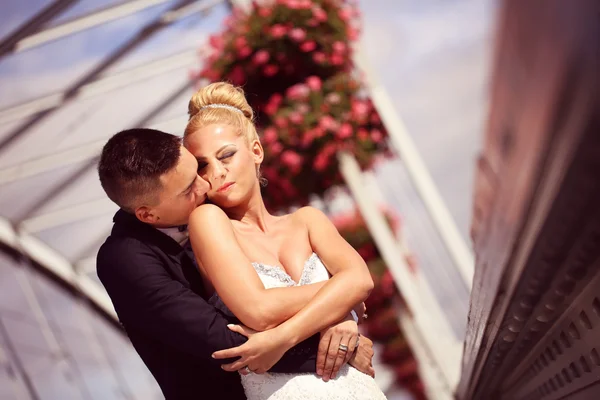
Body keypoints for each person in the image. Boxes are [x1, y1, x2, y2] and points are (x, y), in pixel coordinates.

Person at [96, 128, 377, 400]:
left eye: (197, 170)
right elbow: (226, 340)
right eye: (188, 189)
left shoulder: (220, 213)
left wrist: (341, 311)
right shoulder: (124, 260)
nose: (206, 184)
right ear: (148, 215)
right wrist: (339, 319)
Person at [183, 82, 387, 399]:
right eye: (203, 166)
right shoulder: (208, 223)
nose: (218, 172)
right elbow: (259, 310)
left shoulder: (307, 220)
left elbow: (361, 280)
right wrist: (340, 301)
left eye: (226, 155)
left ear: (256, 151)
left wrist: (284, 337)